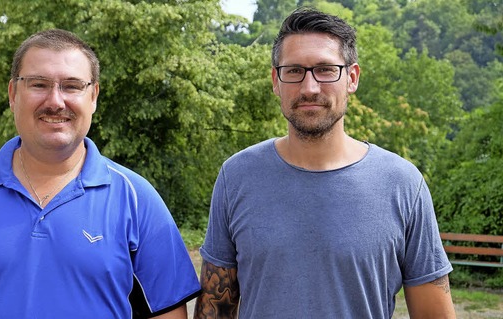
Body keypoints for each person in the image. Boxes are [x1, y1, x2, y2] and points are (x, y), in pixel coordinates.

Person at [0, 29, 200, 319]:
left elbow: (167, 313)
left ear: (93, 96)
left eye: (71, 86)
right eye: (39, 84)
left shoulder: (136, 197)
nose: (55, 101)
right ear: (13, 93)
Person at [194, 7, 455, 319]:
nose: (309, 88)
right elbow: (215, 312)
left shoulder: (402, 184)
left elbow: (434, 314)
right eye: (294, 71)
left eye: (326, 69)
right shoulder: (236, 177)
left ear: (352, 78)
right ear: (276, 81)